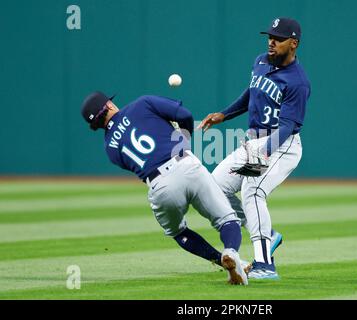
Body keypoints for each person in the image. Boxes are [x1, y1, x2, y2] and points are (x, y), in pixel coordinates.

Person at [81, 91, 248, 285]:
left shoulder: (109, 148)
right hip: (185, 163)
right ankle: (230, 252)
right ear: (109, 105)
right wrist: (182, 136)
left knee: (179, 233)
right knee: (227, 219)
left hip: (160, 185)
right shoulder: (142, 103)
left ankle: (221, 260)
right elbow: (184, 115)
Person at [198, 17, 311, 279]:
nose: (272, 41)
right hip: (254, 141)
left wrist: (265, 151)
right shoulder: (261, 60)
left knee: (253, 190)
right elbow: (250, 94)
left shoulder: (298, 82)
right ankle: (268, 235)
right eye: (270, 36)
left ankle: (265, 265)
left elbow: (287, 126)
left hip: (281, 143)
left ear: (293, 44)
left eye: (279, 38)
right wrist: (224, 115)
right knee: (215, 187)